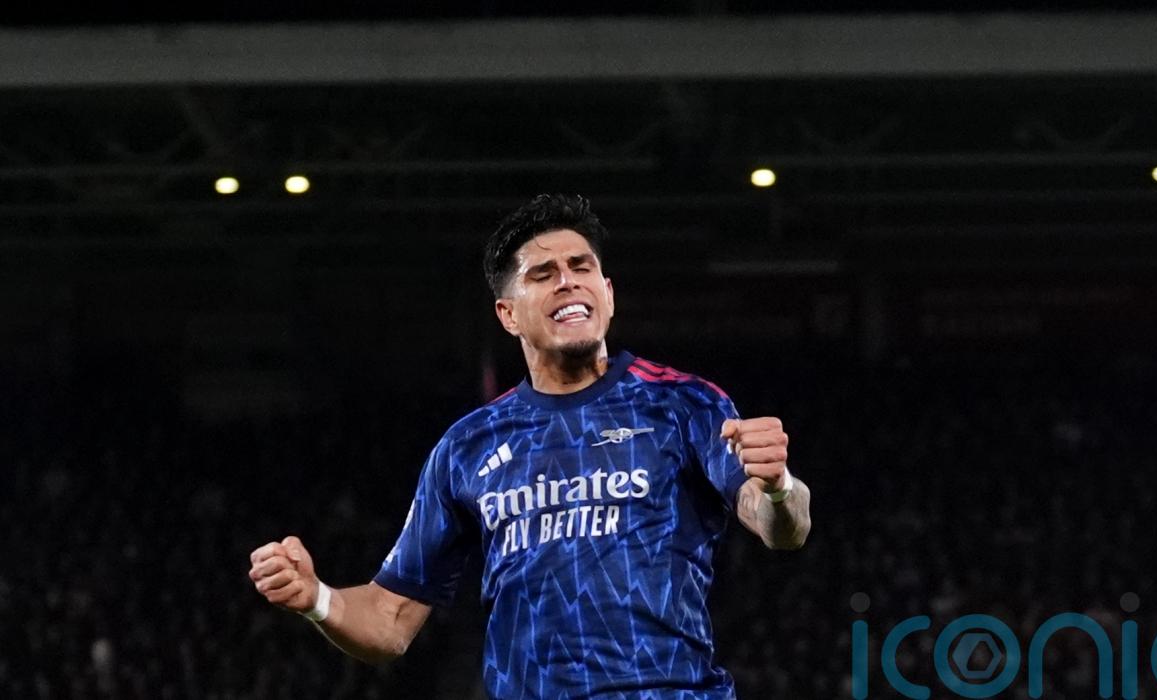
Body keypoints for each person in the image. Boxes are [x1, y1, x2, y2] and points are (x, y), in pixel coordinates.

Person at [248, 194, 811, 698]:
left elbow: (782, 526)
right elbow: (390, 619)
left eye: (582, 267)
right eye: (543, 274)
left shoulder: (684, 404)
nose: (568, 281)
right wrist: (317, 598)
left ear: (608, 294)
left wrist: (778, 487)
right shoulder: (467, 446)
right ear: (508, 314)